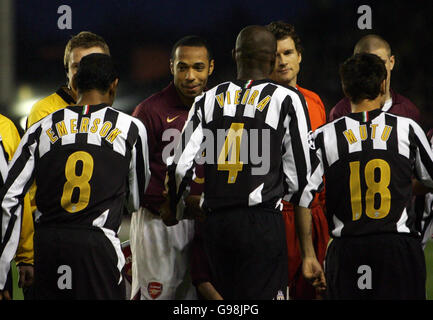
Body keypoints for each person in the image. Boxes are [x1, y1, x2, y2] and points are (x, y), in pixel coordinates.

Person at [163, 25, 326, 300]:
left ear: (235, 56)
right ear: (272, 59)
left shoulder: (207, 99)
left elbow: (179, 166)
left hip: (217, 224)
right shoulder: (287, 98)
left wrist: (178, 209)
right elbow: (301, 176)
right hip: (262, 223)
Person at [0, 53, 150, 299]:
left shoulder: (40, 128)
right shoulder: (131, 127)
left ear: (74, 85)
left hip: (48, 246)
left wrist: (4, 268)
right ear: (114, 85)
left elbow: (9, 197)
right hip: (97, 247)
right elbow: (135, 201)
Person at [307, 53, 433, 299]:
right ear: (383, 85)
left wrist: (309, 254)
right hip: (398, 249)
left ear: (344, 88)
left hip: (347, 249)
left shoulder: (323, 135)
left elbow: (302, 194)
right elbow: (430, 179)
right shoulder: (407, 128)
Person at [21, 31, 111, 299]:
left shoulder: (114, 116)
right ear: (66, 70)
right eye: (77, 66)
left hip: (95, 239)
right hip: (53, 234)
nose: (86, 72)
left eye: (94, 63)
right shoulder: (45, 112)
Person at [130, 35, 214, 300]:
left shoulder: (219, 109)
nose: (190, 76)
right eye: (182, 67)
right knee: (158, 294)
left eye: (198, 67)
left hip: (205, 222)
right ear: (171, 67)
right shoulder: (150, 111)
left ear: (211, 67)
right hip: (160, 222)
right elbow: (134, 175)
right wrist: (173, 201)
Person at [266, 20, 328, 300]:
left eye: (288, 53)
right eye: (274, 55)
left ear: (299, 56)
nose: (282, 61)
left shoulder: (315, 102)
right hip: (278, 216)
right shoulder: (260, 105)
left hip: (316, 214)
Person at [328, 34, 420, 124]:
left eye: (381, 62)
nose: (375, 69)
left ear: (391, 62)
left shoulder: (408, 111)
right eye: (367, 64)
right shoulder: (340, 112)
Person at [0, 115, 33, 300]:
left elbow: (16, 196)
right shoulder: (3, 127)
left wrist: (26, 255)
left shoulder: (5, 127)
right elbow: (14, 197)